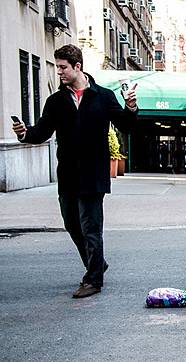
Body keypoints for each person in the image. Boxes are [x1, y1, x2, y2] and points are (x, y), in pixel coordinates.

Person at [11, 44, 138, 298]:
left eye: (62, 67)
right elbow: (43, 131)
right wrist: (25, 134)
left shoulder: (103, 96)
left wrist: (131, 107)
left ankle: (93, 280)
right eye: (57, 67)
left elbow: (126, 126)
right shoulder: (56, 101)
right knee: (72, 224)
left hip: (93, 174)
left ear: (77, 66)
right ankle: (97, 263)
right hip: (67, 174)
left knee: (91, 227)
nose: (58, 72)